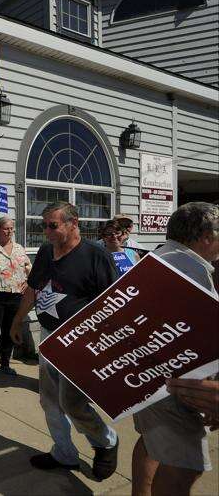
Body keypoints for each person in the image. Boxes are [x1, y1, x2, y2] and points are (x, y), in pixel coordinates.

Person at [9, 201, 120, 480]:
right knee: (49, 401)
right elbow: (33, 289)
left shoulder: (96, 256)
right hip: (49, 337)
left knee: (72, 403)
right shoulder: (46, 252)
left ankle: (105, 441)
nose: (46, 232)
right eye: (43, 226)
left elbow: (114, 303)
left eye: (53, 226)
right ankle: (64, 453)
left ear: (73, 223)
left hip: (80, 341)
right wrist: (17, 320)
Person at [132, 201, 219, 496]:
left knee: (151, 443)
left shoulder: (158, 257)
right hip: (177, 386)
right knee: (185, 467)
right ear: (206, 237)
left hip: (146, 378)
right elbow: (202, 339)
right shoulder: (190, 271)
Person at [0, 216, 31, 376]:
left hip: (15, 294)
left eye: (11, 228)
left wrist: (28, 281)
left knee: (10, 330)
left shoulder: (19, 248)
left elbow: (29, 268)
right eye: (6, 228)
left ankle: (5, 364)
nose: (9, 231)